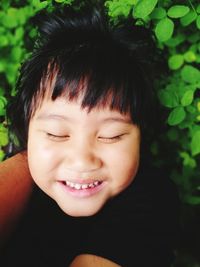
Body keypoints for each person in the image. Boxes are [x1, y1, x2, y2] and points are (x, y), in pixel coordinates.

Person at [0, 3, 180, 267]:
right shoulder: (24, 175)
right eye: (56, 134)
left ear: (141, 136)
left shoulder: (151, 199)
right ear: (27, 131)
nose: (82, 160)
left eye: (111, 135)